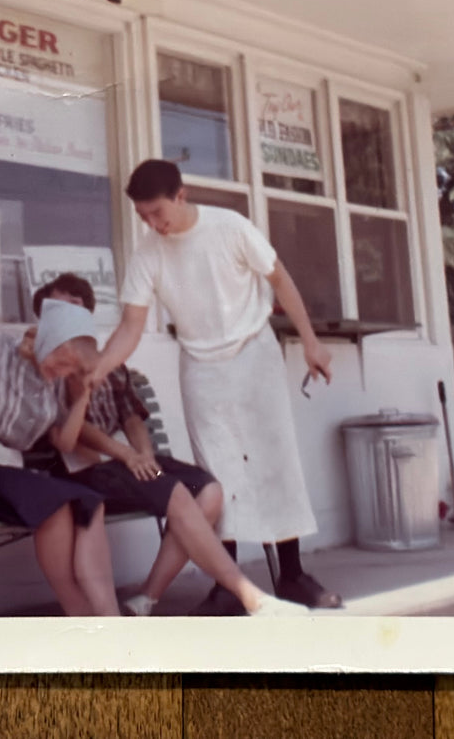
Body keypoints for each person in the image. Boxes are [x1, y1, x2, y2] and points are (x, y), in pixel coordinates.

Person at [85, 159, 343, 613]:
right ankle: (230, 585)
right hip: (200, 364)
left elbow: (280, 279)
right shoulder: (148, 253)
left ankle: (292, 574)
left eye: (157, 213)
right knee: (218, 472)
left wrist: (311, 344)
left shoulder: (231, 227)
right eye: (143, 216)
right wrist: (101, 365)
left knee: (274, 460)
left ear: (180, 196)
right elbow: (131, 325)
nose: (152, 224)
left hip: (253, 352)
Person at [31, 276, 306, 618]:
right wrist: (128, 456)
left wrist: (144, 454)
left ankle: (145, 598)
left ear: (87, 312)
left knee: (207, 492)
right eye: (57, 308)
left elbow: (131, 417)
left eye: (75, 306)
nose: (66, 316)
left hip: (126, 466)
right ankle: (250, 596)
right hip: (86, 471)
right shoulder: (51, 367)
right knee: (176, 492)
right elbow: (75, 431)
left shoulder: (110, 366)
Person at [0, 303, 124, 616]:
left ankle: (108, 615)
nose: (62, 372)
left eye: (70, 369)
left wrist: (81, 394)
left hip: (6, 472)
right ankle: (78, 611)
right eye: (62, 361)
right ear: (49, 338)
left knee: (90, 502)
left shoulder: (54, 381)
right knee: (53, 504)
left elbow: (65, 441)